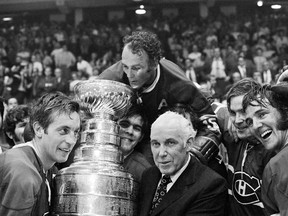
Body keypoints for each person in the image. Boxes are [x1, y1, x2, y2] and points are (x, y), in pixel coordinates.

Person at [99, 30, 221, 165]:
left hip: (160, 140)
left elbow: (211, 126)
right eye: (125, 66)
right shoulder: (111, 79)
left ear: (154, 64)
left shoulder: (178, 85)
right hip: (125, 136)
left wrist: (192, 158)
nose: (129, 74)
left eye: (136, 68)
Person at [0, 91, 81, 215]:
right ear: (39, 129)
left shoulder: (49, 169)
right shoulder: (22, 172)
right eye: (64, 130)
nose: (71, 140)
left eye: (75, 132)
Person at [138, 111, 227, 216]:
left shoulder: (211, 185)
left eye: (170, 143)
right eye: (156, 144)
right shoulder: (148, 175)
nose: (161, 153)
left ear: (189, 144)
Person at [225, 78, 275, 216]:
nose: (237, 120)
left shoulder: (275, 150)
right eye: (233, 113)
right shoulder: (231, 138)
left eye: (243, 111)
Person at [244, 81, 288, 215]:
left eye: (262, 114)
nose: (255, 125)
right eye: (250, 121)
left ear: (284, 112)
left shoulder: (278, 166)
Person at [118, 105, 151, 183]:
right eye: (124, 124)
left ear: (141, 137)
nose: (130, 131)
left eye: (137, 128)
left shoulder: (144, 171)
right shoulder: (93, 155)